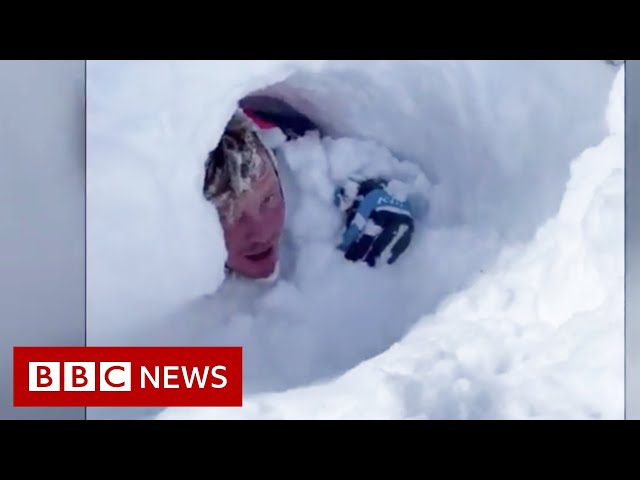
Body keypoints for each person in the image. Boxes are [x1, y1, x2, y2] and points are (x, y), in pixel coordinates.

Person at [203, 106, 415, 281]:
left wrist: (375, 190)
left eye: (268, 199)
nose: (262, 233)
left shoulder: (286, 140)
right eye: (229, 214)